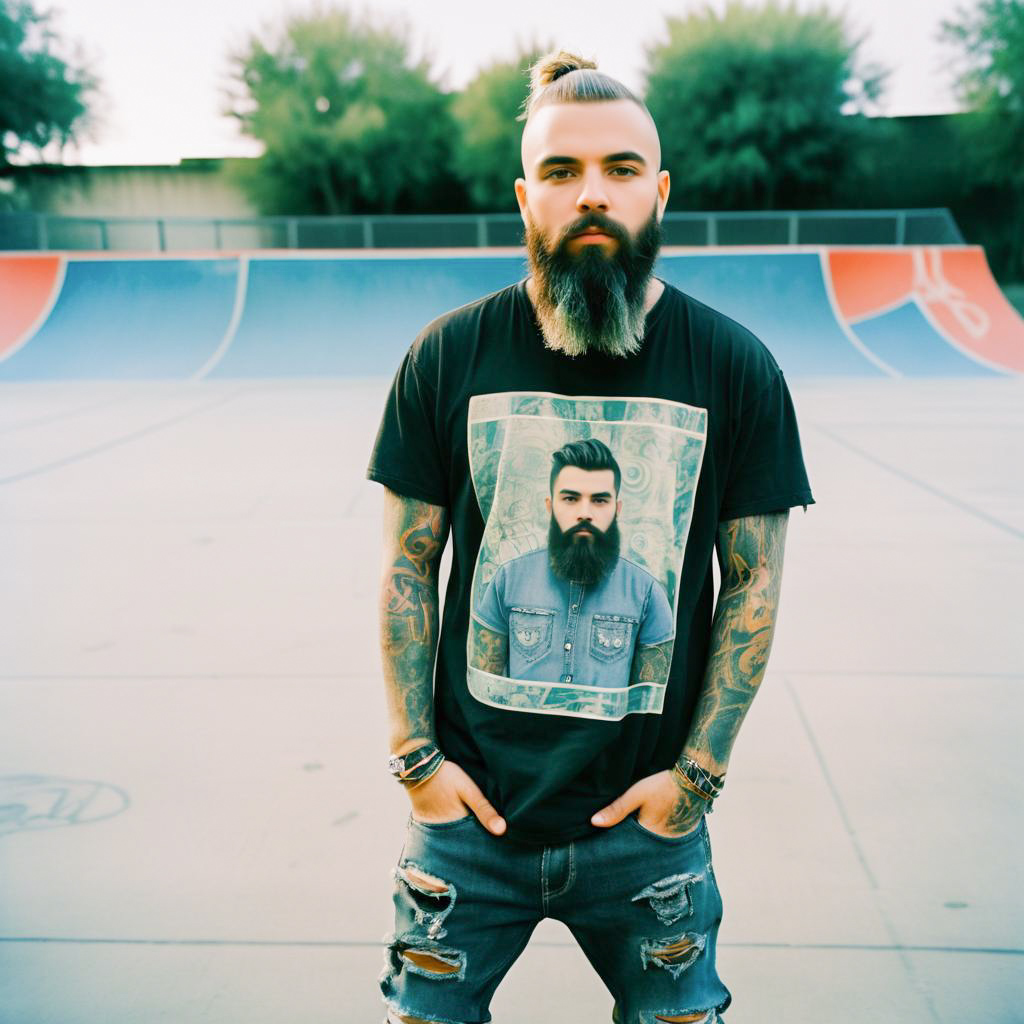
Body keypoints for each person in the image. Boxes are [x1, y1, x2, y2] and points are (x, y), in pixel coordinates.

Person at [367, 49, 814, 1024]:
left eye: (619, 170)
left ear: (658, 192)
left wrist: (694, 779)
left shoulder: (736, 368)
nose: (592, 195)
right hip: (467, 827)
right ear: (526, 198)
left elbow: (752, 587)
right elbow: (408, 569)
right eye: (562, 173)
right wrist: (416, 761)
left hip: (648, 837)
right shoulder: (446, 357)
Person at [472, 438, 675, 696]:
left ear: (617, 509)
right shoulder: (508, 579)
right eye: (570, 499)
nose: (585, 513)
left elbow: (647, 705)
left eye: (600, 500)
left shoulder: (646, 592)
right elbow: (484, 691)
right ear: (550, 506)